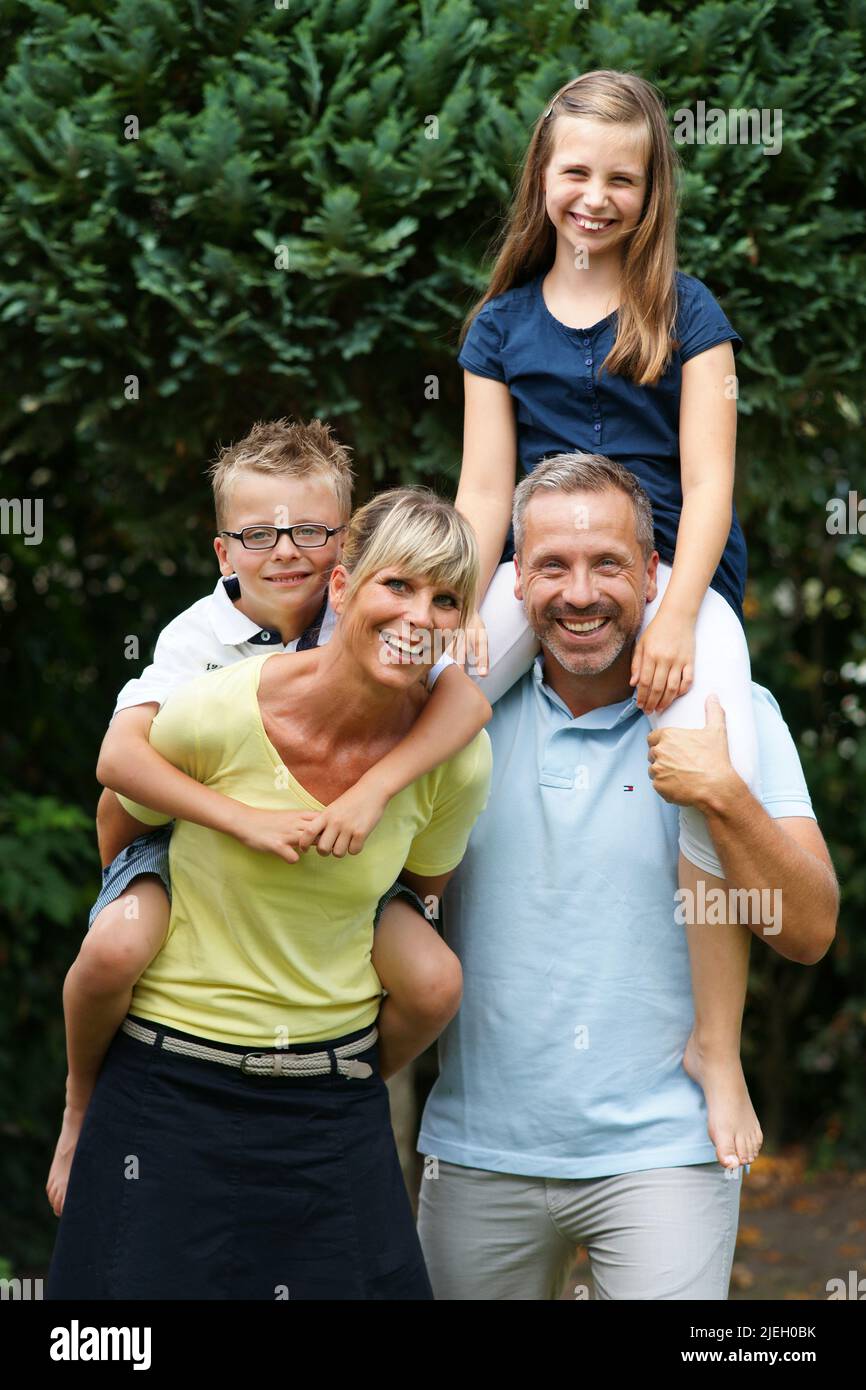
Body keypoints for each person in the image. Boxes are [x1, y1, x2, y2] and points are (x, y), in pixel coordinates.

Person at [46, 485, 492, 1300]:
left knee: (437, 976)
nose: (421, 616)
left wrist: (344, 1064)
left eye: (447, 599)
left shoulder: (452, 756)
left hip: (330, 1111)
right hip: (166, 1094)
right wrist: (151, 885)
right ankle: (76, 1116)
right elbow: (121, 803)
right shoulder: (211, 698)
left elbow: (422, 882)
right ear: (344, 586)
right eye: (398, 585)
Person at [417, 454, 838, 1301]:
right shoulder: (456, 721)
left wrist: (725, 796)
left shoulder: (734, 714)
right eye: (553, 567)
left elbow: (809, 931)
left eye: (607, 563)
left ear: (654, 576)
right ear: (513, 580)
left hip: (668, 1159)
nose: (579, 594)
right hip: (476, 1154)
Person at [455, 68, 764, 1168]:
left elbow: (711, 480)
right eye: (574, 171)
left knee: (700, 757)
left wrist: (677, 612)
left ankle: (716, 1045)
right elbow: (484, 496)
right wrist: (453, 615)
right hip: (544, 570)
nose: (594, 196)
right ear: (542, 176)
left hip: (675, 571)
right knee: (430, 694)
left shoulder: (688, 314)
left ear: (650, 190)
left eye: (619, 178)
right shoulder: (496, 327)